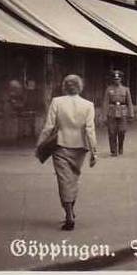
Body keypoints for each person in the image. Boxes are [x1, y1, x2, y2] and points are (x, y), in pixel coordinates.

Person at [37, 74, 97, 231]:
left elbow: (49, 126)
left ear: (64, 86)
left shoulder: (57, 102)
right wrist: (94, 152)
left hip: (61, 145)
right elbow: (90, 129)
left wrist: (40, 144)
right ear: (80, 87)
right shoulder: (88, 105)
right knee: (73, 179)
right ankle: (70, 211)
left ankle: (69, 214)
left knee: (64, 180)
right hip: (80, 147)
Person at [101, 70, 134, 156]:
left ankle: (120, 147)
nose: (117, 80)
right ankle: (113, 150)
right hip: (112, 112)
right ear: (113, 80)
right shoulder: (109, 89)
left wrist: (131, 114)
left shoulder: (126, 89)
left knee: (122, 131)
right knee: (112, 132)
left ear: (121, 79)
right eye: (115, 79)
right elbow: (105, 102)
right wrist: (104, 115)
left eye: (118, 78)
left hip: (123, 112)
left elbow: (129, 102)